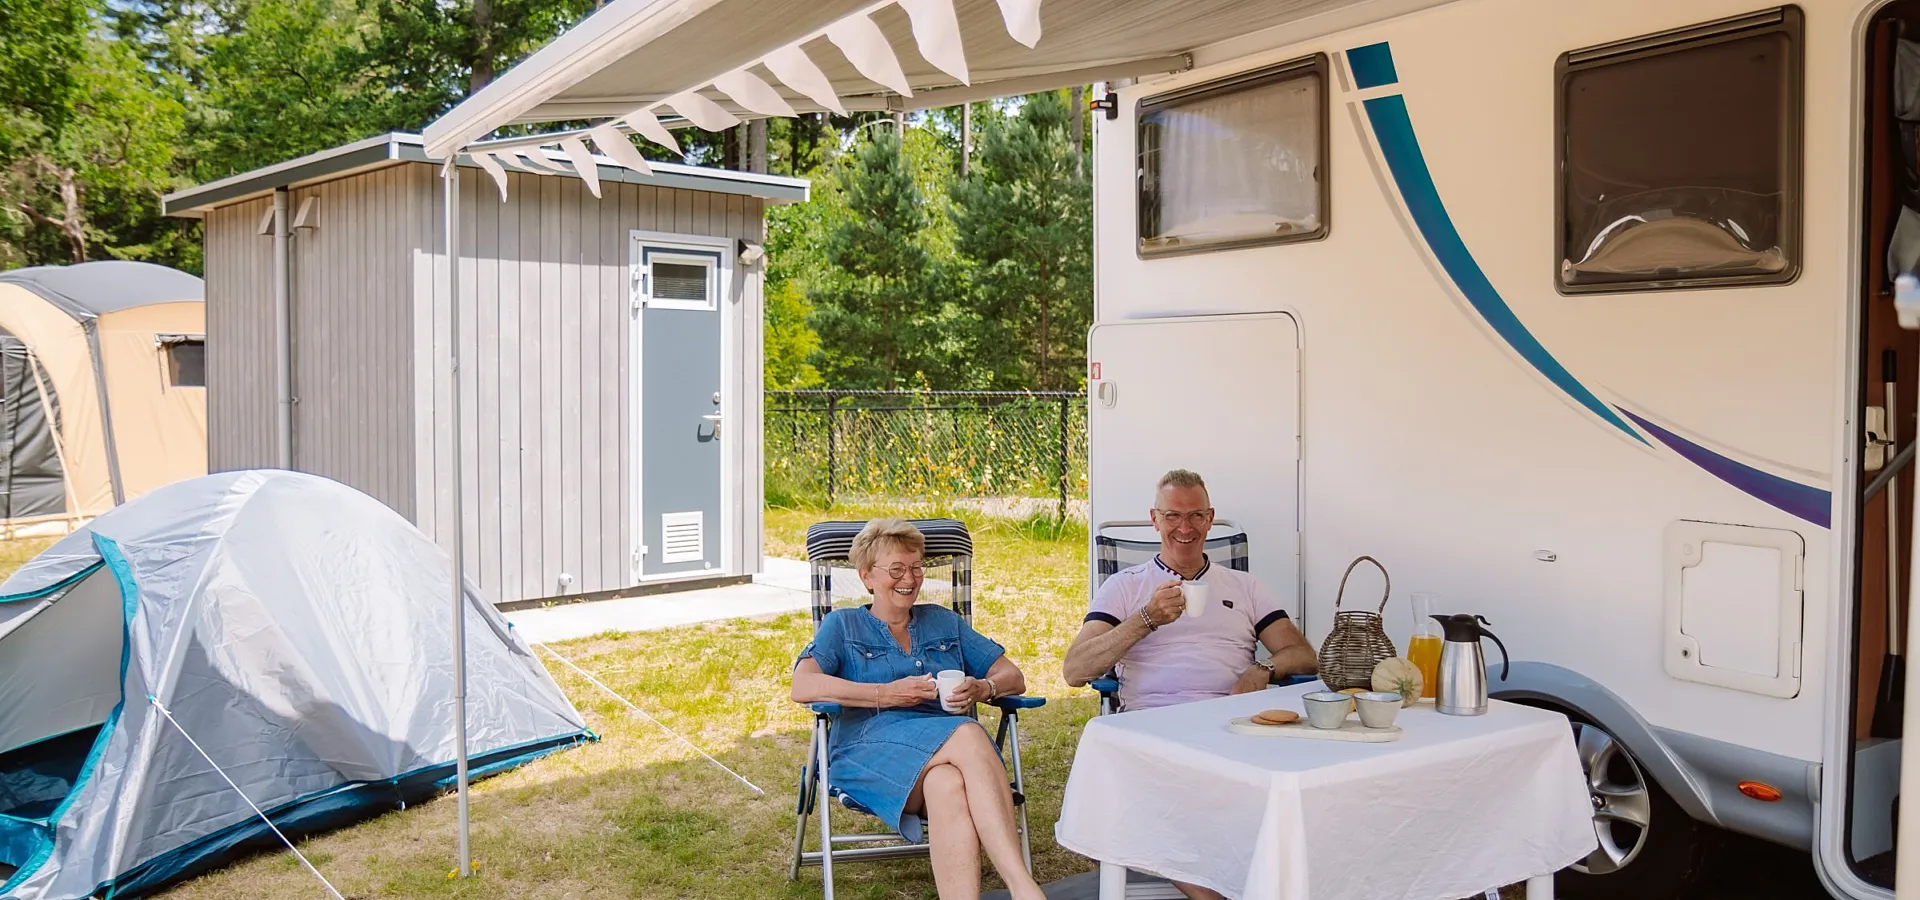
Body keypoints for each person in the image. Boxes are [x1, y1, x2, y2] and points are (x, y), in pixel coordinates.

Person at [1062, 469, 1317, 900]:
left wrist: (1264, 668)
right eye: (1173, 515)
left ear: (1210, 518)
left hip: (1232, 723)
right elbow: (1075, 669)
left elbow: (1303, 653)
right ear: (1154, 519)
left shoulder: (1244, 586)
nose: (1185, 527)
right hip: (1156, 726)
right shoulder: (1123, 587)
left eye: (1196, 515)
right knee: (1149, 790)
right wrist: (1145, 619)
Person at [791, 518, 1045, 900]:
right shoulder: (841, 626)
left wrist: (983, 687)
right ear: (867, 577)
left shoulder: (943, 621)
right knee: (967, 732)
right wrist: (885, 694)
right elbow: (803, 685)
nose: (908, 578)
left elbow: (1013, 675)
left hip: (944, 756)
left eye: (915, 567)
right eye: (896, 569)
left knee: (947, 784)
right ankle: (1024, 888)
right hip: (868, 752)